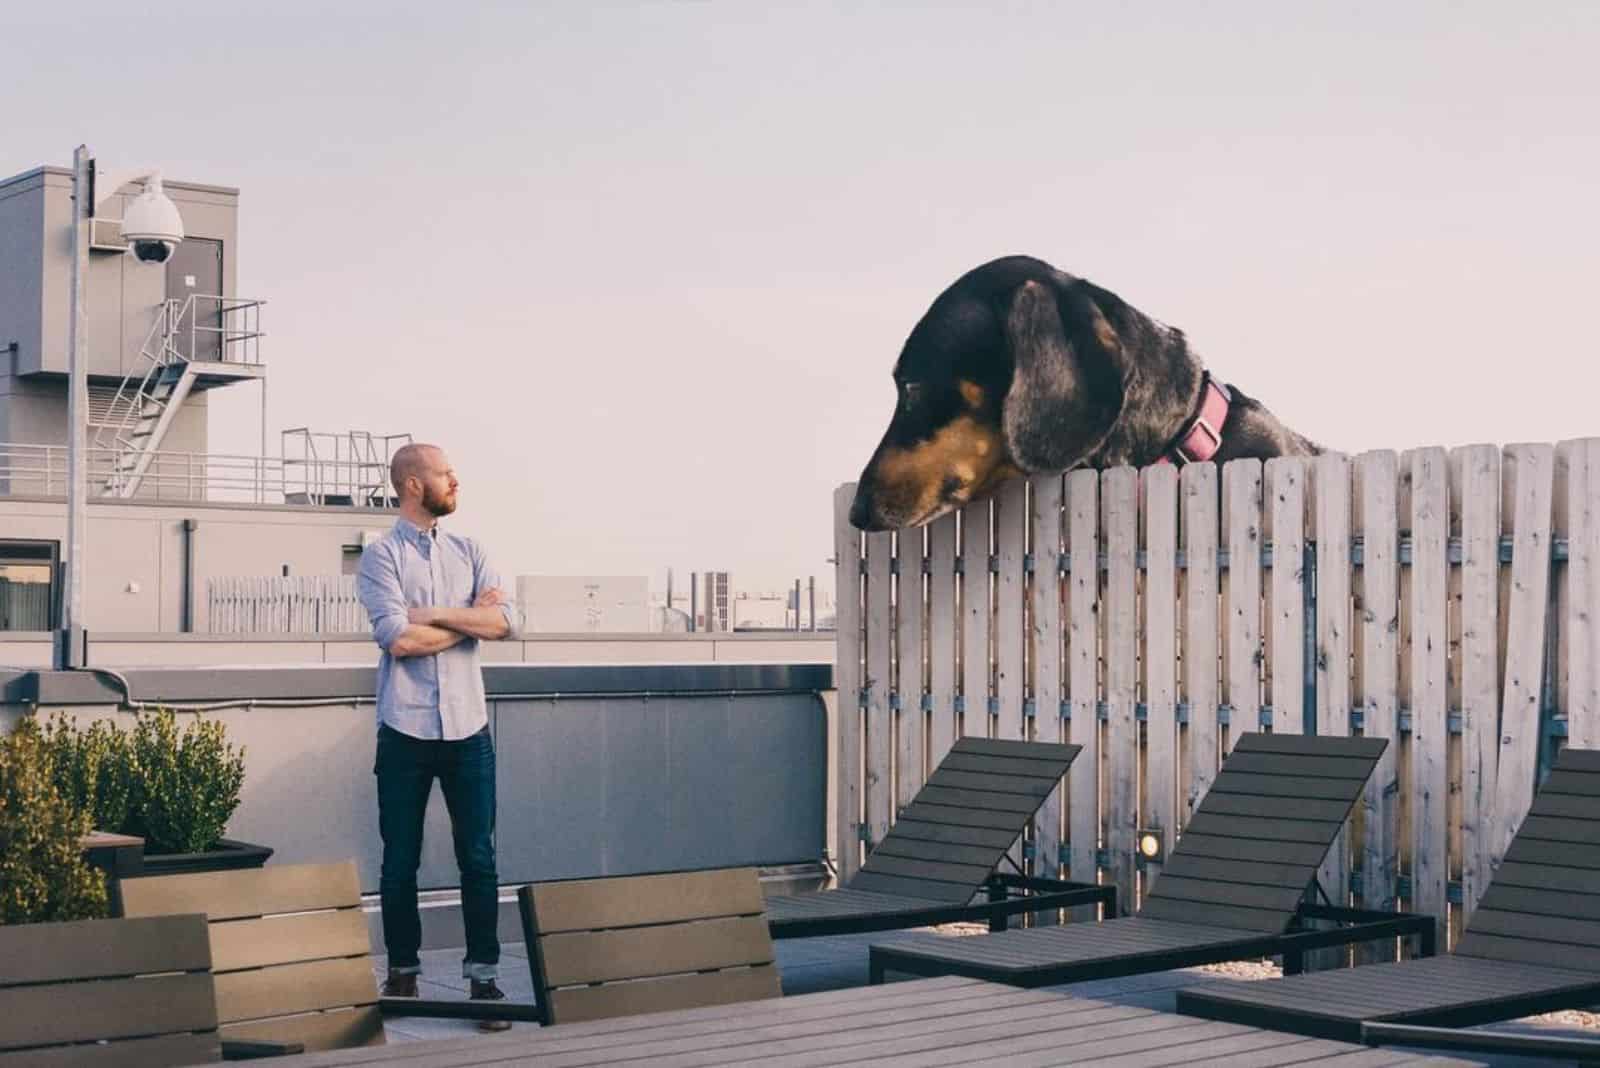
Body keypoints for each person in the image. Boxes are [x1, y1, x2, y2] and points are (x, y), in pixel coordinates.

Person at [356, 442, 516, 1031]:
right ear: (414, 484)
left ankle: (483, 979)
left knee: (479, 856)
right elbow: (398, 641)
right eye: (447, 473)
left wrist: (433, 615)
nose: (457, 480)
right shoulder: (381, 558)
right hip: (404, 729)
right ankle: (402, 972)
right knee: (399, 859)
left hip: (469, 730)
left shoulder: (470, 549)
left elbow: (504, 623)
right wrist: (465, 616)